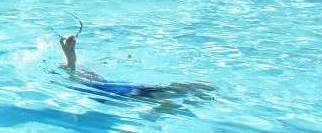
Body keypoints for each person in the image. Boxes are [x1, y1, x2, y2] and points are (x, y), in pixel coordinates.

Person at [58, 26, 212, 102]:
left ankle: (193, 89)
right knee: (162, 92)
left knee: (161, 94)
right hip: (122, 90)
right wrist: (71, 61)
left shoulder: (83, 77)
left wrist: (71, 61)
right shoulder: (89, 76)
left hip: (120, 91)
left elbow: (74, 74)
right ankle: (193, 89)